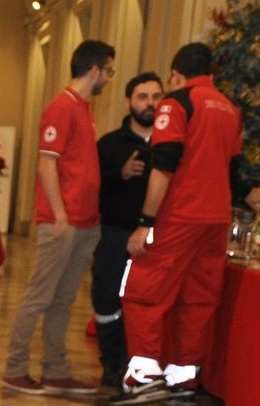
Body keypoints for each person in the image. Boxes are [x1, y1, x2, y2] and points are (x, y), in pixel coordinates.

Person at [111, 42, 243, 406]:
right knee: (197, 299)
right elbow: (235, 173)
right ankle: (183, 379)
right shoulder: (230, 110)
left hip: (179, 217)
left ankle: (142, 376)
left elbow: (165, 162)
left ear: (175, 76)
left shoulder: (177, 102)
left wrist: (145, 223)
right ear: (212, 75)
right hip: (216, 221)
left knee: (142, 291)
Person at [1, 39, 116, 397]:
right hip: (61, 221)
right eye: (109, 71)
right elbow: (47, 162)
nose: (110, 78)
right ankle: (15, 368)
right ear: (94, 70)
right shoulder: (61, 107)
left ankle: (56, 369)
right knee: (39, 296)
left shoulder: (85, 110)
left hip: (84, 221)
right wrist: (61, 215)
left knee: (63, 300)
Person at [91, 72, 164, 389]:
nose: (150, 104)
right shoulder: (108, 145)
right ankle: (112, 364)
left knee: (150, 305)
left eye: (156, 97)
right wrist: (118, 173)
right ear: (128, 102)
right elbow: (90, 189)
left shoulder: (171, 143)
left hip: (158, 238)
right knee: (107, 298)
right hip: (114, 234)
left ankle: (145, 367)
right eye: (143, 97)